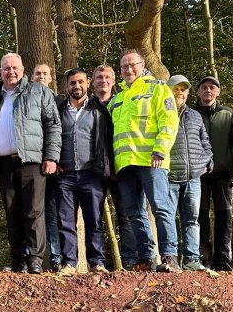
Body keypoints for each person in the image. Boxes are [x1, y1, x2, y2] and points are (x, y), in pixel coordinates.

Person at [0, 53, 61, 274]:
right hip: (3, 165)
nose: (11, 72)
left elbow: (53, 125)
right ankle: (19, 260)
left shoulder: (39, 92)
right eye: (6, 68)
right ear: (1, 71)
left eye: (15, 68)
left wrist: (51, 157)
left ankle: (35, 259)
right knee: (11, 212)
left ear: (23, 70)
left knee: (34, 212)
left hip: (31, 162)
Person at [109, 49, 181, 273]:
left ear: (142, 65)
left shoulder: (158, 88)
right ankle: (147, 258)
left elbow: (169, 120)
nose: (128, 70)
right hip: (125, 165)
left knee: (161, 207)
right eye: (124, 67)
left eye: (133, 65)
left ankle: (169, 256)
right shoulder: (117, 99)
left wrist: (160, 150)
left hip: (152, 161)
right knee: (134, 213)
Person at [92, 65, 150, 270]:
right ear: (93, 82)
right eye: (99, 77)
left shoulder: (122, 101)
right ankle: (96, 262)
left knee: (127, 215)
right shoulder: (88, 106)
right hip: (96, 171)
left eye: (107, 77)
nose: (103, 80)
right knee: (95, 217)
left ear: (114, 80)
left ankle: (131, 260)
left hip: (121, 169)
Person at [55, 69, 110, 274]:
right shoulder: (58, 110)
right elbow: (50, 136)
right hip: (65, 174)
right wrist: (53, 159)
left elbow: (106, 139)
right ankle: (69, 263)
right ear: (66, 86)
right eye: (72, 83)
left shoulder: (99, 109)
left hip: (92, 173)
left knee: (94, 219)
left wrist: (106, 166)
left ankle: (97, 263)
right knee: (65, 221)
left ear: (87, 84)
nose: (76, 86)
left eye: (80, 82)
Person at [165, 75, 213, 271]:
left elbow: (206, 143)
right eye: (176, 88)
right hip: (168, 177)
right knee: (167, 218)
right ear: (168, 90)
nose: (180, 92)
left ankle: (192, 260)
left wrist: (208, 163)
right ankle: (170, 260)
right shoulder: (160, 112)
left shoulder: (195, 116)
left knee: (192, 220)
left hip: (193, 178)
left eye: (184, 89)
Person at [193, 76, 233, 271]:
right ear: (198, 92)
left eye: (212, 87)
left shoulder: (228, 114)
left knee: (224, 216)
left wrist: (229, 159)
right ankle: (204, 256)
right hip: (199, 174)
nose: (208, 90)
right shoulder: (190, 114)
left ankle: (222, 258)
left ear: (218, 92)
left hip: (223, 172)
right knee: (199, 216)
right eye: (204, 87)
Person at [31, 63, 62, 272]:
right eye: (38, 73)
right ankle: (33, 259)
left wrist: (56, 159)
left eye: (45, 73)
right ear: (32, 77)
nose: (41, 76)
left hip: (54, 166)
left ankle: (57, 258)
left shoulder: (61, 101)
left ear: (51, 78)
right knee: (33, 212)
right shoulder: (26, 100)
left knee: (54, 213)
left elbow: (60, 131)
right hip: (32, 164)